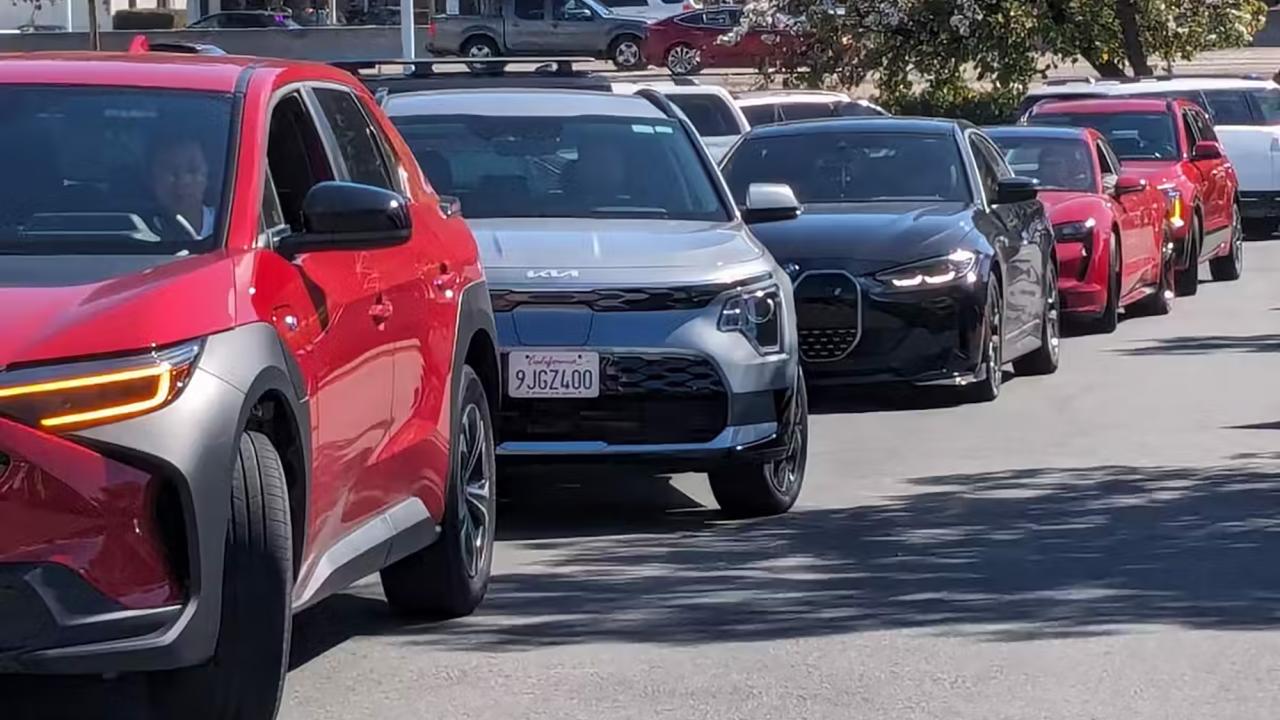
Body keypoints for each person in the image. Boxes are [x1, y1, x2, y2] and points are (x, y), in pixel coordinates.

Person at [147, 134, 215, 238]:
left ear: (208, 175)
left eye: (192, 169)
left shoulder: (230, 225)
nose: (183, 180)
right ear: (151, 178)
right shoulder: (139, 233)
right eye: (171, 169)